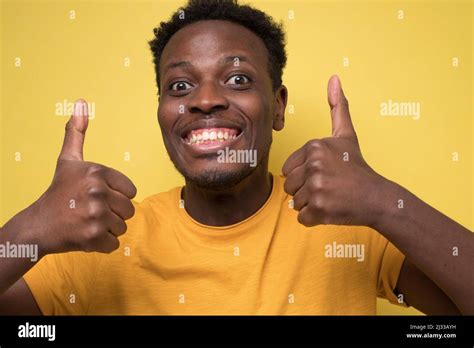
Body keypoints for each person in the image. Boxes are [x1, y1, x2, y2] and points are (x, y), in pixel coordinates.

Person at [0, 0, 472, 315]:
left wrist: (383, 201)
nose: (204, 100)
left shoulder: (354, 230)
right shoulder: (102, 240)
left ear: (280, 105)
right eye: (179, 86)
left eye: (238, 79)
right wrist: (29, 231)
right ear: (162, 111)